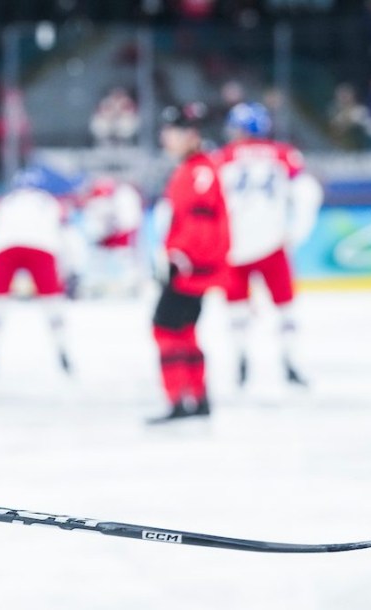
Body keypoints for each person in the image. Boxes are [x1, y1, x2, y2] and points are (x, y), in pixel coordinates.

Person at [215, 102, 322, 388]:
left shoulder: (222, 158)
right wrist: (296, 232)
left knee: (236, 311)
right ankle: (289, 361)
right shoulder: (284, 155)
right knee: (286, 309)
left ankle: (241, 363)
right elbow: (309, 193)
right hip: (272, 244)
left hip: (233, 247)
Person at [148, 103, 230, 423]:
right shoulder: (194, 170)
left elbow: (201, 224)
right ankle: (197, 397)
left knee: (165, 327)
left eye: (172, 132)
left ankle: (180, 399)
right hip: (193, 267)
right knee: (184, 330)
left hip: (191, 269)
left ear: (191, 135)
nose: (166, 138)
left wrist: (179, 258)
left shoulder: (199, 171)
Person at [0, 164, 76, 374]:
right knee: (52, 302)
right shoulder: (48, 202)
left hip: (4, 247)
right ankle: (63, 351)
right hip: (42, 246)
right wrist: (69, 268)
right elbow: (64, 232)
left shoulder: (6, 202)